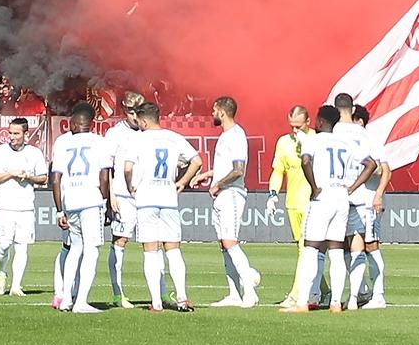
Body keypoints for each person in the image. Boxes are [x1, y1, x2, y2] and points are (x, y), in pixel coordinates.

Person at [120, 96, 197, 313]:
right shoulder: (173, 138)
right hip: (168, 199)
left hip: (146, 200)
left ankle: (156, 303)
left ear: (143, 122)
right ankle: (182, 299)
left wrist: (130, 186)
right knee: (173, 249)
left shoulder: (137, 140)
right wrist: (182, 182)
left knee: (150, 250)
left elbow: (127, 168)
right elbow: (197, 160)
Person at [283, 94, 359, 314]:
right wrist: (350, 187)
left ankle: (302, 302)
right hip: (341, 197)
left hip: (323, 197)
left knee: (310, 248)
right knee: (336, 250)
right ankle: (336, 302)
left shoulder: (313, 139)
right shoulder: (345, 143)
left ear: (321, 121)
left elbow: (305, 161)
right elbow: (369, 164)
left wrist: (314, 187)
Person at [47, 106, 110, 314]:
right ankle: (81, 301)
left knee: (75, 248)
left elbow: (55, 179)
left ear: (75, 124)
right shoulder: (100, 142)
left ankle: (66, 298)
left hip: (71, 200)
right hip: (92, 200)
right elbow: (104, 177)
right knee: (91, 250)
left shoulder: (64, 143)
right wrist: (105, 202)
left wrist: (59, 210)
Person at [206, 95, 262, 307]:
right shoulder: (225, 136)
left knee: (230, 241)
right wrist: (208, 174)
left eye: (214, 110)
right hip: (222, 194)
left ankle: (249, 291)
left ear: (222, 112)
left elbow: (239, 170)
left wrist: (218, 184)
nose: (212, 114)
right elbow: (226, 166)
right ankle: (233, 294)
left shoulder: (236, 135)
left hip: (231, 194)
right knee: (223, 244)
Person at [0, 118, 46, 297]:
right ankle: (2, 272)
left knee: (22, 246)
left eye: (16, 133)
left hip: (26, 207)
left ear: (26, 135)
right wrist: (10, 173)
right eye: (10, 133)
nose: (12, 137)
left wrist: (28, 176)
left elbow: (43, 178)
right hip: (4, 206)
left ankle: (16, 286)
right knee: (3, 245)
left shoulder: (34, 153)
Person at [340, 97, 390, 311]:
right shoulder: (343, 137)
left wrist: (378, 193)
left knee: (370, 247)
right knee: (346, 246)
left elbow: (384, 169)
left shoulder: (369, 138)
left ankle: (378, 295)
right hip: (348, 200)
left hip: (367, 200)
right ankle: (360, 291)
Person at [98, 94, 144, 309]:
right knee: (120, 240)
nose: (136, 117)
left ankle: (161, 293)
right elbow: (107, 166)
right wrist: (110, 197)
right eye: (132, 112)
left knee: (155, 243)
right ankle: (118, 292)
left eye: (139, 112)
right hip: (123, 195)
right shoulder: (115, 133)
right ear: (126, 111)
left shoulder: (148, 131)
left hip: (146, 195)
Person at [270, 103, 313, 244]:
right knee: (300, 243)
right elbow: (278, 171)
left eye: (298, 127)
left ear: (308, 122)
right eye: (292, 126)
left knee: (309, 244)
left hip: (313, 201)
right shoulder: (284, 142)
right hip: (293, 202)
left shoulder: (318, 138)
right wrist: (273, 194)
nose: (295, 131)